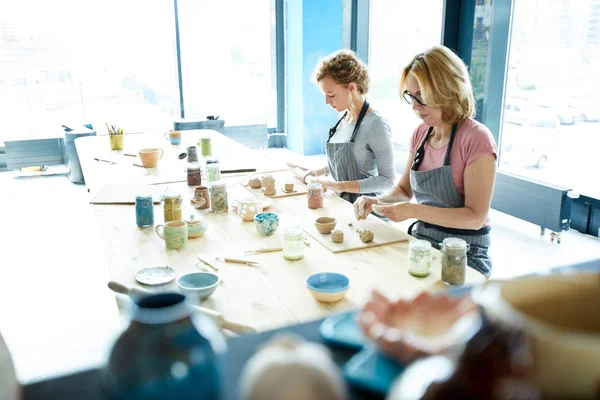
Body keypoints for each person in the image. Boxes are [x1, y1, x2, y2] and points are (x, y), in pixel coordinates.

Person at [355, 46, 497, 278]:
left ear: (449, 90)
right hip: (424, 241)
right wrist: (377, 201)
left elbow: (475, 217)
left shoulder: (476, 138)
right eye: (411, 96)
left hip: (464, 252)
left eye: (422, 97)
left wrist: (413, 210)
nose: (414, 106)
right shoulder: (421, 133)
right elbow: (403, 190)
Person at [287, 49, 396, 204]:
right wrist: (318, 172)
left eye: (331, 95)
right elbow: (344, 163)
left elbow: (388, 180)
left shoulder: (376, 124)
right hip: (342, 203)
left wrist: (339, 186)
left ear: (351, 87)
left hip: (367, 211)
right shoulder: (343, 119)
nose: (327, 101)